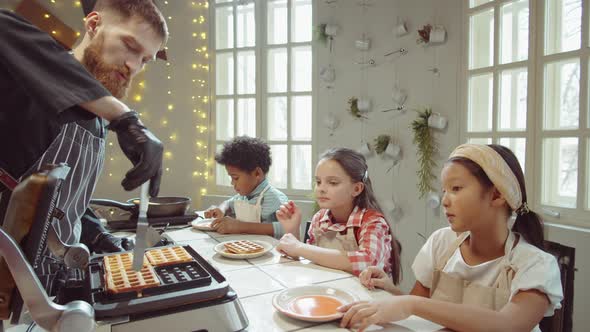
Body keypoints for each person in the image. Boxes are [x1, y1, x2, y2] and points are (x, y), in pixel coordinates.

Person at [0, 0, 168, 252]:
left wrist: (100, 237)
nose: (135, 66)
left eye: (145, 60)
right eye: (130, 45)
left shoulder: (98, 117)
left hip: (53, 276)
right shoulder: (24, 82)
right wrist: (123, 116)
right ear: (93, 24)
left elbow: (65, 201)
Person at [339, 144, 563, 332]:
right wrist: (391, 290)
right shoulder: (442, 243)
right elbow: (421, 308)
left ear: (496, 195)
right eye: (444, 190)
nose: (445, 200)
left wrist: (410, 303)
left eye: (456, 188)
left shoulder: (535, 265)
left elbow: (508, 325)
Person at [275, 148, 402, 281]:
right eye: (318, 182)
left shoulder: (372, 222)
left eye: (333, 183)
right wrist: (292, 230)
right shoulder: (319, 218)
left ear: (357, 189)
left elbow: (367, 262)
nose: (321, 189)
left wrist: (299, 247)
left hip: (369, 297)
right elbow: (310, 259)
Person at [204, 136, 289, 239]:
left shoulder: (276, 199)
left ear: (257, 173)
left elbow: (287, 228)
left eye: (236, 178)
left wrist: (240, 226)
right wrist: (221, 209)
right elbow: (228, 204)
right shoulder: (244, 196)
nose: (232, 183)